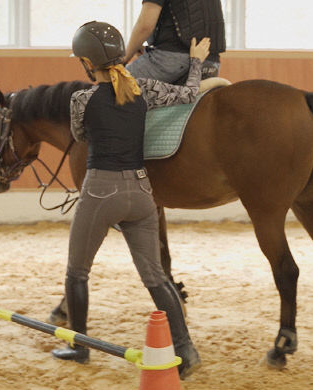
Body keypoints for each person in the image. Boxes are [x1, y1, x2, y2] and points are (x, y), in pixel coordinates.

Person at [52, 20, 210, 380]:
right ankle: (186, 349)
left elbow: (80, 134)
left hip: (100, 191)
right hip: (141, 192)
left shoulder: (82, 99)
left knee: (77, 272)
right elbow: (188, 95)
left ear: (88, 64)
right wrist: (195, 61)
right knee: (155, 277)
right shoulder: (146, 89)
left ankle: (78, 346)